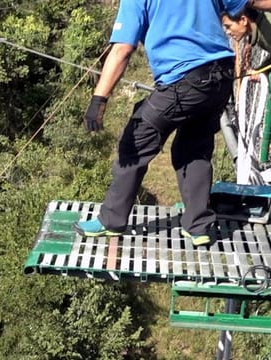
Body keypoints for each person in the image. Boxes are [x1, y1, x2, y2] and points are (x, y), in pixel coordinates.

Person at [73, 0, 254, 247]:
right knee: (194, 148)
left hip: (184, 80)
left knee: (136, 141)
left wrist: (99, 99)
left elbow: (122, 50)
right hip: (220, 78)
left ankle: (111, 221)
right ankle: (198, 226)